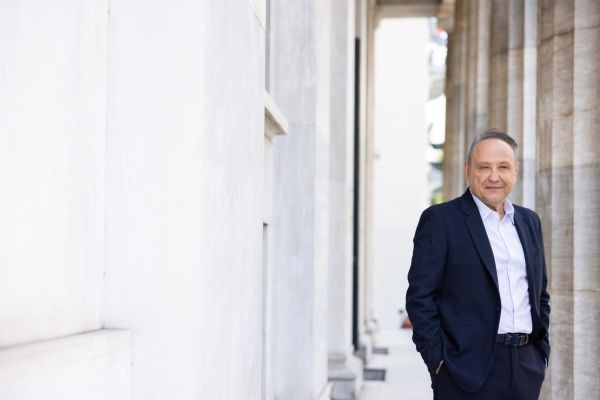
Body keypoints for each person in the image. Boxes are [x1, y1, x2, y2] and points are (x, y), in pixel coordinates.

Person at [406, 130, 550, 399]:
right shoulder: (441, 220)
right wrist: (439, 361)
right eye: (484, 167)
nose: (494, 176)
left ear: (516, 171)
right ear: (468, 170)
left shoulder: (529, 221)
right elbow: (420, 298)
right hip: (464, 372)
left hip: (526, 368)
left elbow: (539, 294)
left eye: (503, 167)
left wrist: (541, 353)